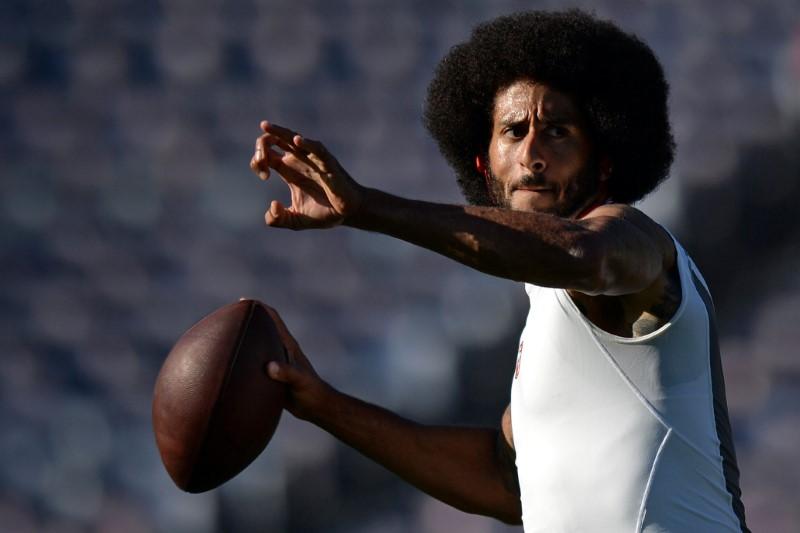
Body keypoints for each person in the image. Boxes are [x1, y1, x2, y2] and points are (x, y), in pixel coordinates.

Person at [249, 9, 749, 532]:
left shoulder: (635, 241)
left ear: (604, 161)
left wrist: (367, 208)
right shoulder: (546, 312)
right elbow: (508, 479)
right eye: (514, 131)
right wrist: (323, 404)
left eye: (556, 131)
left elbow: (583, 255)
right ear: (484, 166)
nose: (532, 154)